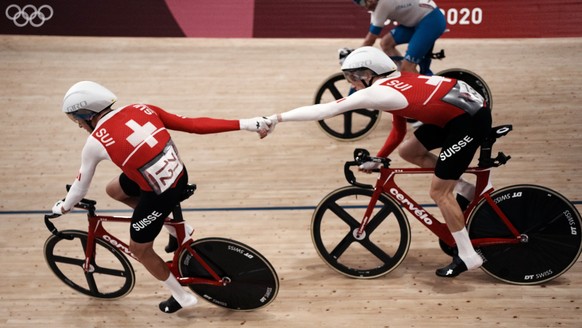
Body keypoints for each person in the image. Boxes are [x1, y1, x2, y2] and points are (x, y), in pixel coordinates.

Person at [266, 46, 491, 277]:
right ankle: (466, 188)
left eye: (353, 77)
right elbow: (398, 130)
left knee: (440, 193)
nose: (351, 83)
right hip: (462, 112)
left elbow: (324, 110)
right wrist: (380, 158)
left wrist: (277, 118)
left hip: (468, 122)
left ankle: (467, 255)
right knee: (408, 150)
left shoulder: (379, 92)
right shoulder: (397, 80)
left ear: (368, 74)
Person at [51, 81, 271, 313]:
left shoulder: (94, 143)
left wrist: (64, 207)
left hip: (160, 194)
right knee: (114, 190)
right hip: (179, 175)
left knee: (140, 249)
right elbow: (195, 124)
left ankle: (182, 297)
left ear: (87, 114)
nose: (79, 125)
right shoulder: (142, 108)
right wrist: (247, 123)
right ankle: (177, 230)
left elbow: (79, 188)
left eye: (77, 119)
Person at [352, 0, 447, 74]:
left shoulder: (382, 4)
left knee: (407, 68)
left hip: (430, 21)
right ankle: (403, 76)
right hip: (417, 21)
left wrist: (353, 58)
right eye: (360, 3)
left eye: (363, 2)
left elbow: (370, 40)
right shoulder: (378, 4)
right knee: (386, 43)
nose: (365, 6)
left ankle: (423, 92)